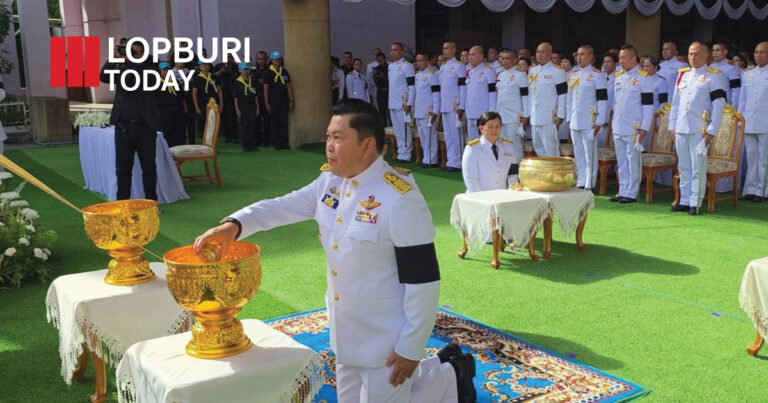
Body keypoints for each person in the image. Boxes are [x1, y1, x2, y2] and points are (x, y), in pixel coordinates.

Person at [193, 99, 476, 403]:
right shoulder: (330, 181)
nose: (328, 146)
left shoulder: (400, 197)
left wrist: (411, 347)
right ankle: (449, 372)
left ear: (368, 146)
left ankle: (451, 374)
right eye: (328, 136)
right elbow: (282, 206)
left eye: (338, 138)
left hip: (386, 340)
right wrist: (234, 225)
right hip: (345, 333)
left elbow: (422, 280)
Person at [668, 41, 727, 215]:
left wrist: (711, 130)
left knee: (697, 167)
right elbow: (675, 103)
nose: (692, 57)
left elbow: (719, 105)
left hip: (699, 128)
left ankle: (695, 201)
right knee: (684, 166)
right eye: (690, 53)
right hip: (681, 127)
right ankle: (684, 199)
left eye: (696, 54)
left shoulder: (714, 76)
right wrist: (672, 125)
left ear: (706, 55)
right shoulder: (683, 75)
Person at [99, 40, 159, 201]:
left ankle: (151, 202)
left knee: (149, 167)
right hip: (123, 127)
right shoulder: (122, 66)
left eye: (136, 52)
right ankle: (122, 202)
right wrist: (114, 58)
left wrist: (128, 61)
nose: (132, 55)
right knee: (122, 168)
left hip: (145, 127)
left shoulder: (151, 68)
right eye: (130, 52)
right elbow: (104, 76)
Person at [610, 44, 655, 204]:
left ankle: (632, 192)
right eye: (619, 58)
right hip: (619, 124)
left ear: (633, 58)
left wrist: (644, 128)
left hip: (634, 126)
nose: (620, 61)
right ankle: (623, 189)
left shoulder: (644, 78)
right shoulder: (619, 76)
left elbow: (649, 107)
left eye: (623, 58)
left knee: (632, 158)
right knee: (621, 159)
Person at [568, 45, 608, 191]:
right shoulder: (574, 74)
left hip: (589, 120)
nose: (579, 57)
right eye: (577, 55)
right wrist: (568, 118)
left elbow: (602, 100)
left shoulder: (597, 75)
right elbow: (569, 99)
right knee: (578, 151)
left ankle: (590, 183)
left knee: (589, 152)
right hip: (575, 119)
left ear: (591, 56)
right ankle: (580, 180)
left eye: (582, 54)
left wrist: (599, 121)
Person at [737, 41, 768, 202]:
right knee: (751, 157)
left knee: (764, 158)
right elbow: (743, 99)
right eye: (756, 52)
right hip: (749, 120)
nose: (758, 55)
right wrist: (741, 118)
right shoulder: (748, 73)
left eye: (762, 52)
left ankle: (762, 190)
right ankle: (750, 188)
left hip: (765, 121)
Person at [526, 42, 567, 157]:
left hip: (549, 118)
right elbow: (530, 95)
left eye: (543, 52)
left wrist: (560, 116)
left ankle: (554, 175)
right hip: (535, 117)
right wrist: (527, 114)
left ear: (550, 54)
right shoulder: (532, 70)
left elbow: (563, 95)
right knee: (538, 149)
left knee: (551, 150)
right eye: (538, 52)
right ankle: (544, 174)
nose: (539, 55)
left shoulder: (558, 71)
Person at [462, 111, 519, 191]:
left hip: (502, 197)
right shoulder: (472, 149)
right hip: (479, 198)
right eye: (490, 127)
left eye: (498, 126)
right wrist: (484, 200)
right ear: (481, 128)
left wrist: (511, 192)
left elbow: (513, 174)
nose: (494, 130)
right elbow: (471, 180)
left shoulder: (508, 146)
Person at [439, 41, 467, 172]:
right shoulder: (443, 67)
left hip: (454, 106)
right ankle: (451, 160)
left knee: (456, 135)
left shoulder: (459, 66)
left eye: (447, 48)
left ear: (454, 50)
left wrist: (461, 105)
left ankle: (459, 161)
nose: (444, 51)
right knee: (448, 135)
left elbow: (462, 87)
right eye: (443, 49)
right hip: (444, 105)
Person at [388, 42, 416, 163]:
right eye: (391, 50)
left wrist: (409, 103)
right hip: (392, 102)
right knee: (397, 130)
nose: (392, 52)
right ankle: (400, 152)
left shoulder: (407, 66)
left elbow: (412, 86)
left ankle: (405, 154)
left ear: (401, 52)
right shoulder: (391, 66)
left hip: (402, 103)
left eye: (395, 50)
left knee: (404, 130)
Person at [464, 46, 497, 141]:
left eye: (473, 54)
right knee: (473, 143)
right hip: (471, 113)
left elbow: (492, 93)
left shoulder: (488, 70)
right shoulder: (470, 72)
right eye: (469, 55)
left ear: (481, 56)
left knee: (485, 142)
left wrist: (492, 112)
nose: (470, 57)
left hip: (483, 113)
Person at [413, 52, 441, 167]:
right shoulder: (418, 75)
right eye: (417, 61)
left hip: (428, 110)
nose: (418, 63)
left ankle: (432, 159)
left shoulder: (432, 75)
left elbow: (436, 94)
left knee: (430, 135)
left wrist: (435, 111)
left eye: (421, 60)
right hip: (419, 110)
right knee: (423, 136)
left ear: (427, 61)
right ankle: (426, 157)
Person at [263, 51, 294, 150]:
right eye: (275, 59)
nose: (278, 61)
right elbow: (265, 89)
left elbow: (288, 86)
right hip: (273, 101)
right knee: (275, 121)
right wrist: (267, 103)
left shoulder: (284, 71)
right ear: (271, 60)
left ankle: (284, 142)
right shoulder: (268, 72)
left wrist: (291, 100)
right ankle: (276, 142)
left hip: (284, 100)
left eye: (279, 59)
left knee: (284, 121)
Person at [191, 60, 224, 142]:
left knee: (213, 123)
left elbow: (219, 91)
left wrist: (221, 104)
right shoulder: (197, 78)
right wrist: (196, 107)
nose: (205, 66)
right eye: (203, 65)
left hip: (214, 102)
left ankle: (212, 143)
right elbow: (194, 94)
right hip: (202, 103)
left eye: (207, 64)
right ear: (199, 67)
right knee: (203, 123)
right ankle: (205, 143)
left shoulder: (214, 77)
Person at [157, 62, 187, 148]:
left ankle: (180, 149)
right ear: (160, 71)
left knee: (179, 131)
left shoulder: (175, 81)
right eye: (164, 70)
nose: (166, 72)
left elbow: (181, 96)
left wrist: (185, 110)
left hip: (178, 110)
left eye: (168, 69)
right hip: (164, 112)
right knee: (166, 132)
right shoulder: (156, 83)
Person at [234, 62, 260, 152]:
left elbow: (255, 95)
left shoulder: (252, 80)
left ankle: (252, 145)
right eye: (243, 69)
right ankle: (245, 145)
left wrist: (257, 107)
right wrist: (237, 109)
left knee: (252, 125)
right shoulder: (237, 82)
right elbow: (235, 97)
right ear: (239, 70)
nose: (245, 71)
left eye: (246, 69)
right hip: (242, 106)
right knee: (244, 126)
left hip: (252, 105)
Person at [214, 55, 239, 143]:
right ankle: (227, 136)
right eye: (228, 57)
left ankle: (234, 136)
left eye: (231, 57)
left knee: (231, 116)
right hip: (221, 94)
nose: (230, 59)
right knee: (223, 116)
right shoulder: (219, 66)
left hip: (232, 94)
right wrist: (220, 71)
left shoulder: (236, 67)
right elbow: (212, 77)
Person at [711, 42, 742, 109]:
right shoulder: (709, 67)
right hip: (711, 104)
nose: (714, 53)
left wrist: (734, 107)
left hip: (725, 105)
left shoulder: (731, 68)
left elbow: (736, 89)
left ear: (725, 52)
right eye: (713, 50)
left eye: (717, 50)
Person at [253, 50, 272, 147]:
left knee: (267, 121)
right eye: (259, 59)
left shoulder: (270, 70)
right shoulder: (253, 71)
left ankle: (267, 141)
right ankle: (257, 141)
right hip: (256, 99)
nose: (261, 61)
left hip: (267, 99)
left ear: (267, 59)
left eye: (263, 59)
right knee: (256, 121)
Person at [372, 52, 390, 125]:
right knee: (382, 113)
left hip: (389, 92)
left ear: (385, 59)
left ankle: (393, 131)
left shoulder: (390, 67)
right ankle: (384, 130)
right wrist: (374, 76)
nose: (380, 62)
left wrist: (383, 77)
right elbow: (376, 83)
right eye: (378, 61)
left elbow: (391, 82)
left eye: (381, 60)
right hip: (380, 92)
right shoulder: (376, 69)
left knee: (390, 113)